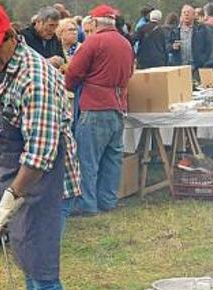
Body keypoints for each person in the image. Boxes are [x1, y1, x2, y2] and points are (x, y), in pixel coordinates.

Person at [0, 2, 81, 290]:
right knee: (27, 263)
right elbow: (3, 112)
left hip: (46, 181)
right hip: (19, 175)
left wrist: (9, 199)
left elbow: (42, 153)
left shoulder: (35, 78)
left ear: (11, 36)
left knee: (42, 271)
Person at [66, 5, 133, 216]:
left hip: (94, 107)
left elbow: (73, 74)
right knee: (112, 158)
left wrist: (71, 84)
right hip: (117, 105)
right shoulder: (125, 43)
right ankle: (108, 200)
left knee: (87, 159)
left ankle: (87, 203)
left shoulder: (93, 42)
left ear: (95, 23)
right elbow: (130, 72)